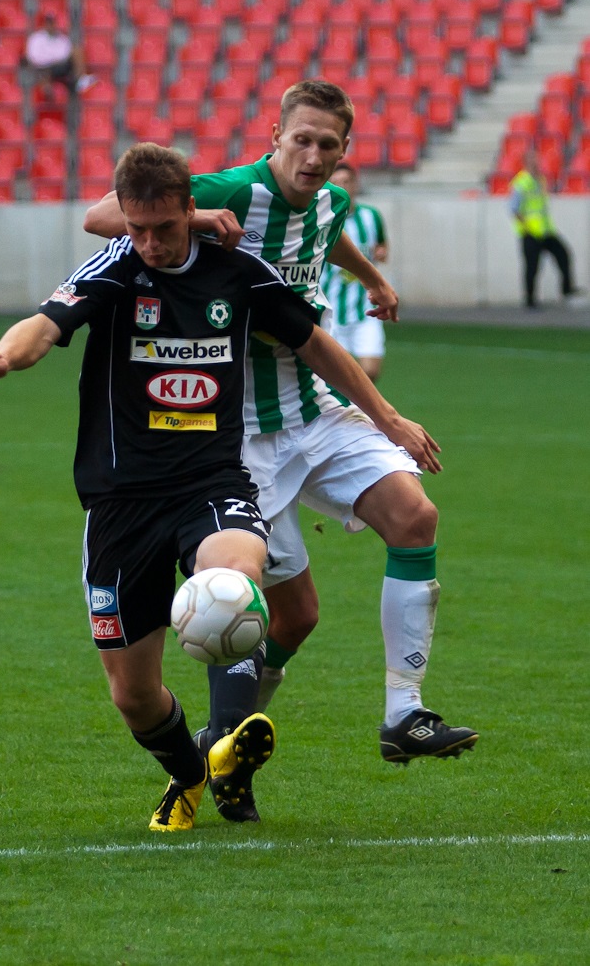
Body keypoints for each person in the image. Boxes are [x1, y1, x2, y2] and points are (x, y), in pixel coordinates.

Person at [0, 143, 442, 832]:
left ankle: (227, 744)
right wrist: (2, 357)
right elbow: (44, 326)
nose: (150, 244)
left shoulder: (238, 272)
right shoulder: (116, 268)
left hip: (212, 481)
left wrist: (387, 418)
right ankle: (189, 768)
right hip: (121, 501)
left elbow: (314, 343)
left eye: (164, 227)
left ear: (192, 208)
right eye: (137, 228)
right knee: (133, 696)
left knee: (233, 585)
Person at [83, 81, 478, 797]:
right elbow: (102, 215)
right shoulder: (234, 190)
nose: (314, 156)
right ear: (276, 136)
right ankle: (223, 749)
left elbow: (325, 235)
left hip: (314, 411)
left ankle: (404, 713)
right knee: (286, 612)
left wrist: (374, 279)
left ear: (344, 149)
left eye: (328, 145)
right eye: (302, 140)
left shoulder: (332, 201)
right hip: (240, 437)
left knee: (415, 515)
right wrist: (197, 216)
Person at [323, 160, 389, 383]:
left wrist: (381, 253)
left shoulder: (371, 217)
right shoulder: (322, 219)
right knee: (331, 376)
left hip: (365, 310)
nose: (342, 187)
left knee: (371, 371)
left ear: (355, 184)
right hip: (330, 311)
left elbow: (382, 246)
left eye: (347, 182)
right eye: (336, 182)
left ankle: (353, 402)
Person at [510, 148, 579, 310]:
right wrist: (527, 227)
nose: (537, 162)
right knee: (532, 267)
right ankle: (529, 300)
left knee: (563, 254)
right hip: (531, 233)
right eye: (533, 159)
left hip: (546, 231)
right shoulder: (521, 182)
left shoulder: (540, 180)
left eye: (537, 159)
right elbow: (514, 208)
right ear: (526, 162)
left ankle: (567, 288)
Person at [25, 13, 97, 96]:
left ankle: (80, 80)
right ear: (45, 24)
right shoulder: (36, 38)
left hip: (59, 66)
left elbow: (66, 53)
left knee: (77, 51)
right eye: (48, 23)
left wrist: (52, 57)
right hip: (42, 67)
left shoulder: (62, 38)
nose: (50, 26)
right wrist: (53, 58)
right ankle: (49, 93)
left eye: (52, 23)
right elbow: (34, 57)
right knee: (43, 75)